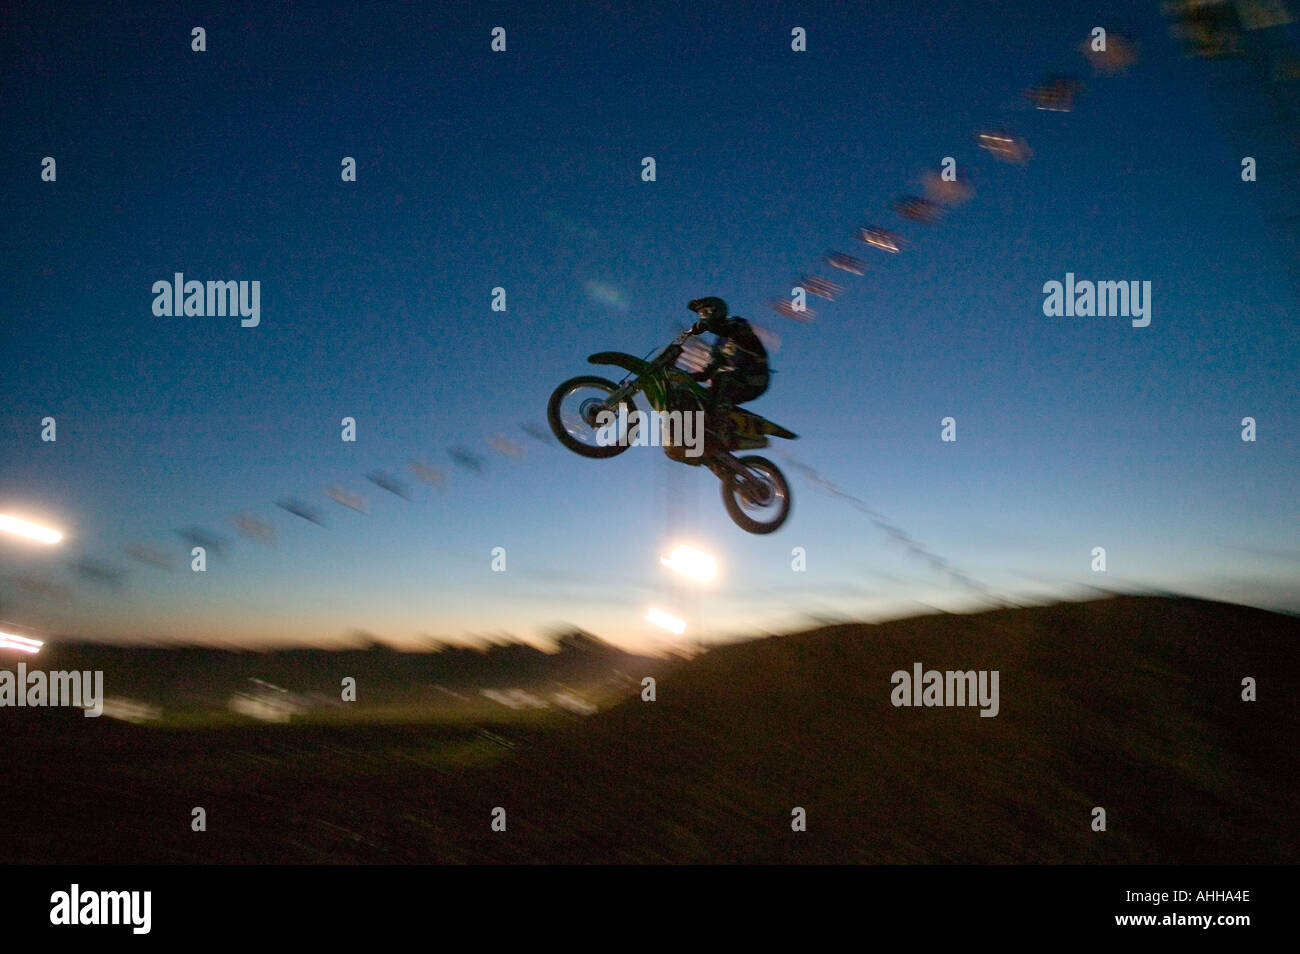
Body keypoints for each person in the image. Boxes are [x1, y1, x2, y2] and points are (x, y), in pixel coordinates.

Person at [684, 297, 770, 450]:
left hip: (755, 378)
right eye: (700, 314)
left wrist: (707, 326)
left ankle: (720, 430)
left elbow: (730, 330)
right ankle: (703, 435)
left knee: (722, 377)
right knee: (701, 396)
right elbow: (707, 373)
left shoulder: (736, 323)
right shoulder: (718, 345)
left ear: (716, 310)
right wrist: (685, 377)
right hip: (737, 381)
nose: (703, 316)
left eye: (705, 311)